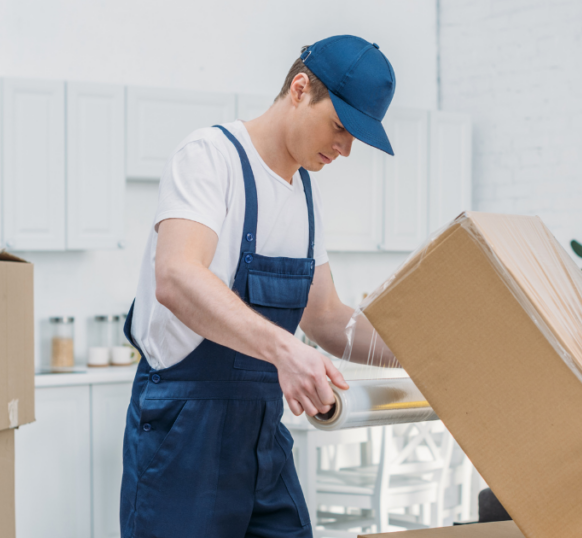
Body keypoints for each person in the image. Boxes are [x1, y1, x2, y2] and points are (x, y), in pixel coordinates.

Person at [118, 35, 399, 538]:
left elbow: (327, 317)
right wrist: (286, 351)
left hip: (263, 438)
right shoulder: (211, 157)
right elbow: (177, 276)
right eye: (340, 127)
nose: (345, 149)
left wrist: (429, 355)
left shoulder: (305, 195)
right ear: (300, 89)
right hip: (183, 437)